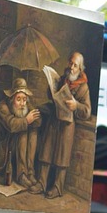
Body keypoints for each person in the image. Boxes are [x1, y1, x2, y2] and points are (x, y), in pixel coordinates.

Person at [36, 52, 91, 199]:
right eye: (71, 63)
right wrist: (52, 89)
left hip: (67, 124)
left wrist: (76, 105)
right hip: (54, 119)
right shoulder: (63, 78)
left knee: (62, 157)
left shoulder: (83, 87)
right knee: (46, 151)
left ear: (80, 69)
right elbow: (52, 95)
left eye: (75, 66)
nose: (72, 68)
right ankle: (41, 183)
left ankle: (57, 187)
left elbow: (86, 111)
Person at [0, 77, 43, 191]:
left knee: (33, 132)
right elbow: (12, 125)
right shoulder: (3, 108)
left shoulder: (24, 106)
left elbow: (38, 122)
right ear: (11, 98)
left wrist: (31, 113)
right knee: (23, 132)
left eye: (24, 99)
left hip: (10, 147)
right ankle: (21, 175)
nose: (22, 103)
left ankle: (30, 172)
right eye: (18, 99)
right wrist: (27, 120)